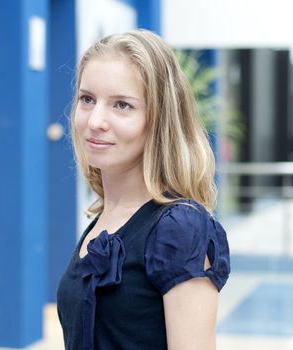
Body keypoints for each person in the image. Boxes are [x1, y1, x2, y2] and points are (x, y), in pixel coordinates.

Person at [56, 29, 230, 350]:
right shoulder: (106, 216)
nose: (95, 120)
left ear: (159, 120)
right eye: (87, 99)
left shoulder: (179, 227)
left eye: (121, 105)